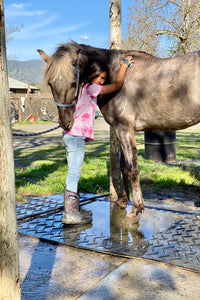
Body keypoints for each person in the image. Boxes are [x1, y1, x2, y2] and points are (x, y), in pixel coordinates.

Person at [62, 55, 135, 225]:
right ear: (90, 75)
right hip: (76, 136)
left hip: (69, 135)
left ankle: (74, 208)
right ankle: (70, 213)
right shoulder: (91, 88)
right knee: (74, 174)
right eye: (99, 77)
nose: (101, 82)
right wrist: (124, 66)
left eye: (103, 78)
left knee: (73, 173)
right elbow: (117, 85)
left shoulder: (79, 88)